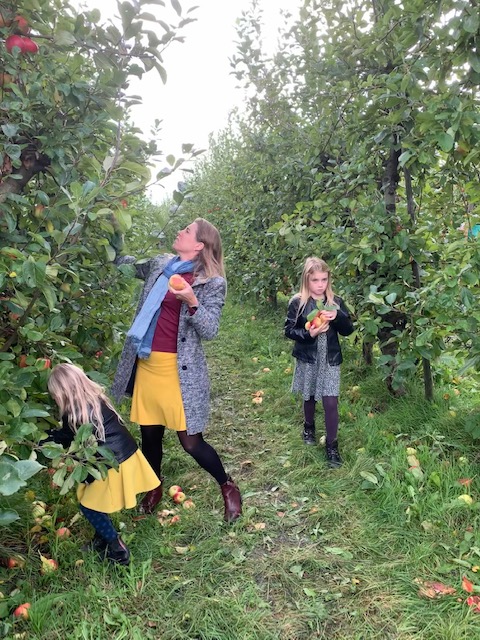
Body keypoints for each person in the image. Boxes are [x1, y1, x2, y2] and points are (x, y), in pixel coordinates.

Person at [111, 218, 242, 522]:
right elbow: (126, 265)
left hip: (179, 370)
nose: (179, 232)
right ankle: (154, 487)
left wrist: (192, 301)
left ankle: (227, 485)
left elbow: (210, 330)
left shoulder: (211, 282)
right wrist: (109, 227)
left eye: (186, 231)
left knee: (190, 441)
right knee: (150, 434)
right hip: (147, 362)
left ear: (199, 245)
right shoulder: (160, 264)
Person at [47, 363, 160, 565]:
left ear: (63, 393)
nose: (54, 398)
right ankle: (101, 537)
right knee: (95, 501)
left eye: (55, 394)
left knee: (89, 506)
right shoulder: (93, 399)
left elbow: (74, 441)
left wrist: (48, 441)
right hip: (123, 455)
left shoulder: (76, 414)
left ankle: (117, 547)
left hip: (110, 463)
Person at [284, 257, 354, 468]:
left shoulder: (336, 302)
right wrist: (309, 332)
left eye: (324, 279)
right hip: (309, 358)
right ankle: (309, 426)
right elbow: (289, 330)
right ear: (307, 280)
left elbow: (348, 330)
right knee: (310, 395)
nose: (320, 284)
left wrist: (338, 316)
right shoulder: (298, 303)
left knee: (331, 402)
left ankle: (332, 446)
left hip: (330, 359)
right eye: (315, 280)